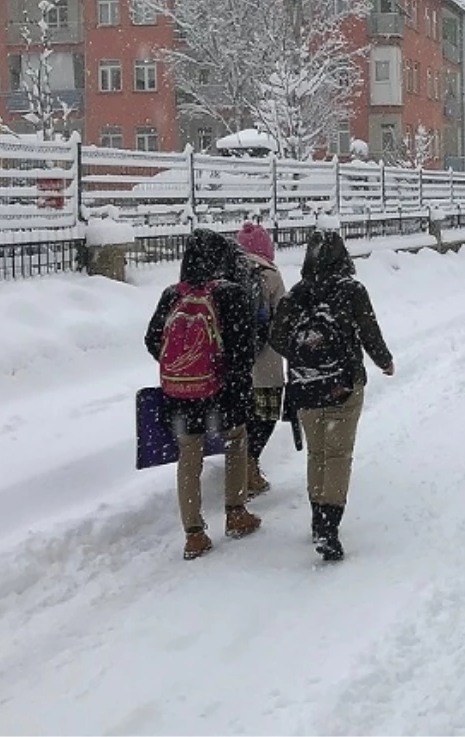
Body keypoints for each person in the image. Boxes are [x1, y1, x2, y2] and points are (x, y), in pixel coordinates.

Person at [269, 226, 394, 562]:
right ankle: (329, 526)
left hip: (305, 386)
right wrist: (384, 361)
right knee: (338, 456)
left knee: (317, 454)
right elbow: (369, 331)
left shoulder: (296, 294)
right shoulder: (352, 290)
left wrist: (303, 355)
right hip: (343, 384)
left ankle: (316, 519)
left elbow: (276, 337)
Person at [145, 228, 262, 560]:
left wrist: (185, 366)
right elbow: (244, 348)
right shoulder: (231, 293)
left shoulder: (172, 295)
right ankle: (236, 513)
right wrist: (224, 373)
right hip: (223, 392)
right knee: (236, 442)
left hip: (180, 394)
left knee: (189, 457)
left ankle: (193, 534)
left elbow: (153, 339)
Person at [234, 221, 287, 500]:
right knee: (265, 416)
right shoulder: (271, 274)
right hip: (265, 362)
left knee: (239, 417)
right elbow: (284, 318)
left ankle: (239, 467)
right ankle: (250, 465)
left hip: (234, 364)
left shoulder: (226, 272)